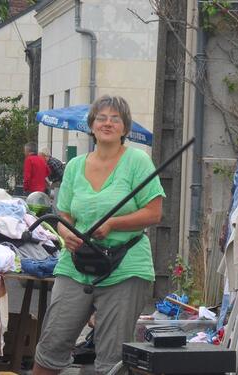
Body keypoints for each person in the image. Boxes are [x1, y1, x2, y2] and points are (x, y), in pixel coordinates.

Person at [33, 95, 165, 375]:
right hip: (76, 262)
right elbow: (65, 214)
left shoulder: (138, 162)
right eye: (101, 117)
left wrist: (115, 223)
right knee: (52, 341)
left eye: (115, 119)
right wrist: (64, 231)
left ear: (125, 129)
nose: (108, 123)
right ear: (91, 125)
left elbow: (154, 214)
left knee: (113, 357)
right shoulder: (75, 166)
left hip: (125, 265)